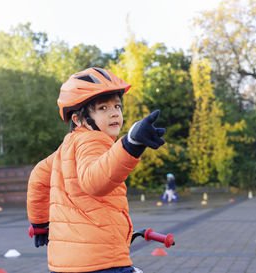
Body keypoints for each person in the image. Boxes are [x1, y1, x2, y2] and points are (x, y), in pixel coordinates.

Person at [26, 67, 166, 273]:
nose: (114, 113)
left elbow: (38, 177)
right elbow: (94, 181)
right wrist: (131, 144)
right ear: (78, 119)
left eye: (117, 106)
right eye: (102, 108)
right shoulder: (93, 141)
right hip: (102, 262)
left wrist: (39, 224)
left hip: (64, 264)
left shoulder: (66, 149)